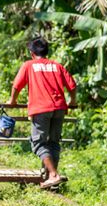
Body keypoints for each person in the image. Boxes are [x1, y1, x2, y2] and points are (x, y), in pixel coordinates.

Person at [8, 37, 77, 189]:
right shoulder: (57, 66)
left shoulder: (29, 65)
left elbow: (16, 86)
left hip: (40, 109)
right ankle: (52, 181)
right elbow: (72, 85)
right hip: (59, 108)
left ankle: (53, 175)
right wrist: (72, 101)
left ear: (32, 53)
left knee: (38, 143)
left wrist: (12, 101)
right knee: (53, 142)